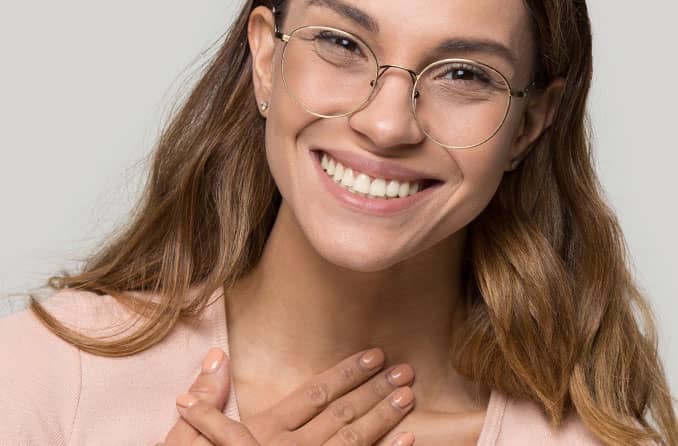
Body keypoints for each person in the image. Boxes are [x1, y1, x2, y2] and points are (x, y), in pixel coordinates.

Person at [0, 0, 676, 444]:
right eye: (341, 42)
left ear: (529, 124)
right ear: (265, 58)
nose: (386, 124)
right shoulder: (41, 381)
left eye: (464, 73)